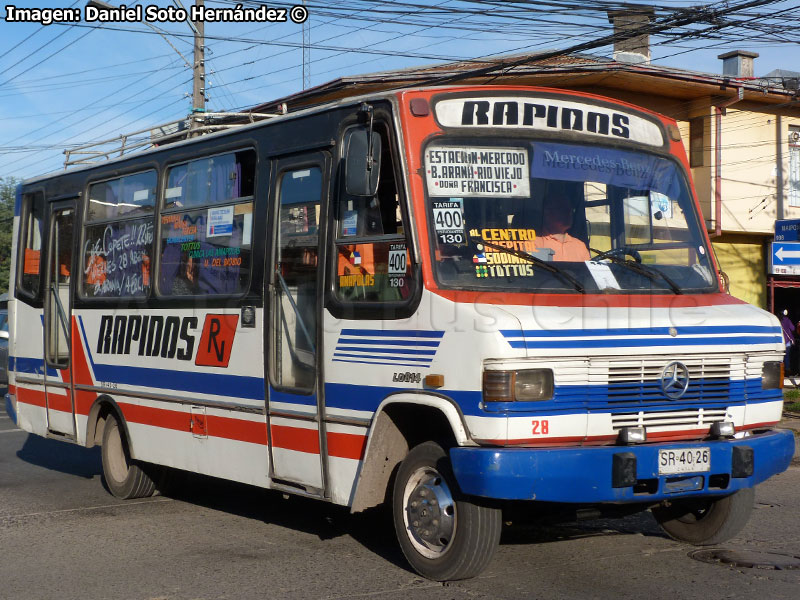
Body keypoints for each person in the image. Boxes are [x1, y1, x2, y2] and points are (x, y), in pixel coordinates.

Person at [536, 187, 590, 262]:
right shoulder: (535, 244)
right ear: (547, 212)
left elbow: (586, 273)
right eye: (563, 209)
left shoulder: (580, 246)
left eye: (570, 210)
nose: (568, 214)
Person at [781, 309, 795, 375]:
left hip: (780, 341)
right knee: (787, 357)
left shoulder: (778, 321)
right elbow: (793, 328)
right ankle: (787, 371)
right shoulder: (788, 320)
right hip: (787, 342)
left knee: (780, 357)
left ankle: (780, 372)